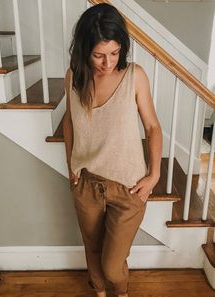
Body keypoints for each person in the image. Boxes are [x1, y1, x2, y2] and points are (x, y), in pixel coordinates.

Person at [63, 3, 162, 297]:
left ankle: (120, 293)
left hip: (128, 188)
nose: (107, 63)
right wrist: (71, 166)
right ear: (84, 50)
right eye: (99, 55)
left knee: (112, 264)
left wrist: (154, 176)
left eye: (115, 53)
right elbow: (69, 123)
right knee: (92, 252)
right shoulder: (73, 77)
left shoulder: (135, 76)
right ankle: (101, 294)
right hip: (87, 183)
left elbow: (153, 128)